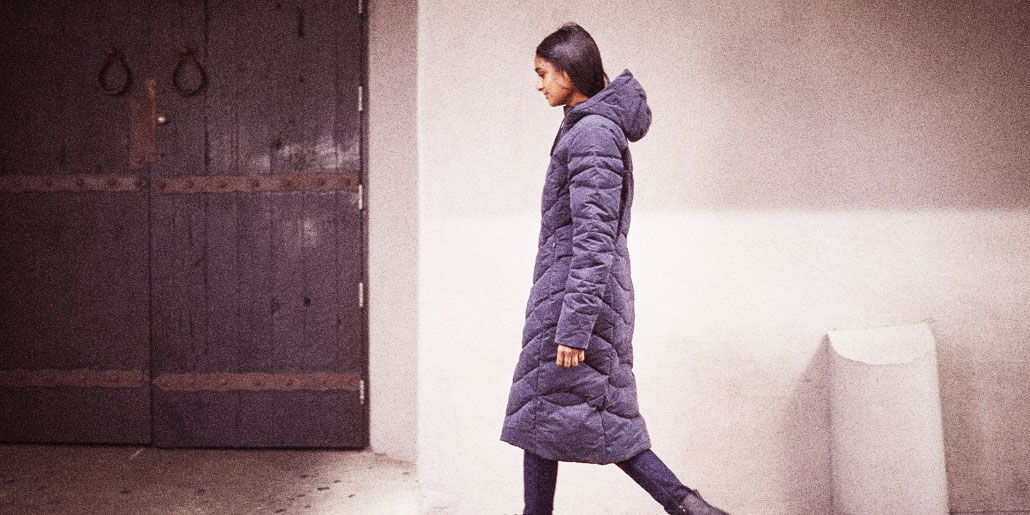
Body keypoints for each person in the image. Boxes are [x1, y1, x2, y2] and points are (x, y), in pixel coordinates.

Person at [500, 23, 730, 515]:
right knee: (545, 420)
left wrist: (575, 327)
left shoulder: (592, 135)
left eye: (543, 73)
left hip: (578, 308)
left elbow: (595, 239)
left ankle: (690, 508)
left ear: (569, 72)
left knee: (606, 428)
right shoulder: (584, 127)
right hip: (567, 302)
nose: (537, 84)